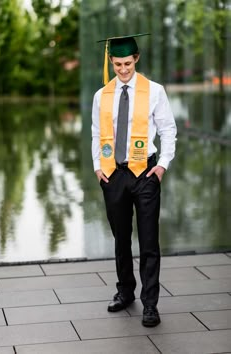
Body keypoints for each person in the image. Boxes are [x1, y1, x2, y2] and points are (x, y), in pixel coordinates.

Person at [91, 33, 177, 327]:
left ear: (136, 59)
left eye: (127, 63)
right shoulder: (101, 95)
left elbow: (168, 131)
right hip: (113, 174)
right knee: (121, 239)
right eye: (117, 65)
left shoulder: (154, 91)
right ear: (111, 62)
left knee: (149, 241)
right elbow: (96, 133)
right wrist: (97, 168)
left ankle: (150, 305)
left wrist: (163, 166)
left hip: (146, 174)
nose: (123, 70)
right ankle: (125, 292)